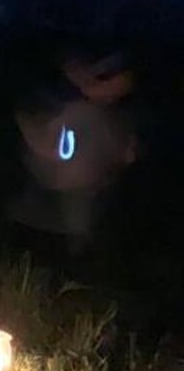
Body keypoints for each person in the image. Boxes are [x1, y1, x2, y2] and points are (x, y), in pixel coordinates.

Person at [10, 49, 136, 255]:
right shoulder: (75, 110)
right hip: (63, 181)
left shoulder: (106, 117)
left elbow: (124, 152)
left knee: (77, 227)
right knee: (38, 218)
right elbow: (45, 140)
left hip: (83, 186)